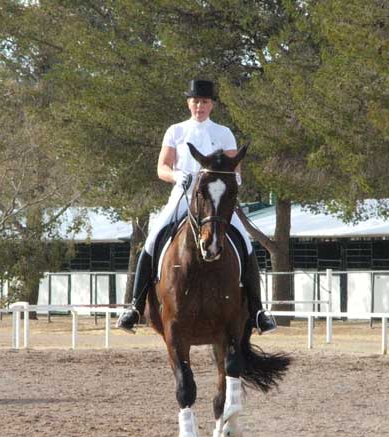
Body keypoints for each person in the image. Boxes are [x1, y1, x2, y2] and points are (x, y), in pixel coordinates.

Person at [117, 79, 276, 334]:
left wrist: (229, 183)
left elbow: (236, 170)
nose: (199, 106)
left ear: (211, 104)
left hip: (215, 201)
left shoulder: (223, 133)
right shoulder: (176, 131)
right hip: (183, 197)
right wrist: (176, 176)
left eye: (204, 102)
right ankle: (134, 307)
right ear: (188, 103)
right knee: (152, 241)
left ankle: (258, 311)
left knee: (245, 243)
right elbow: (162, 167)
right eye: (195, 101)